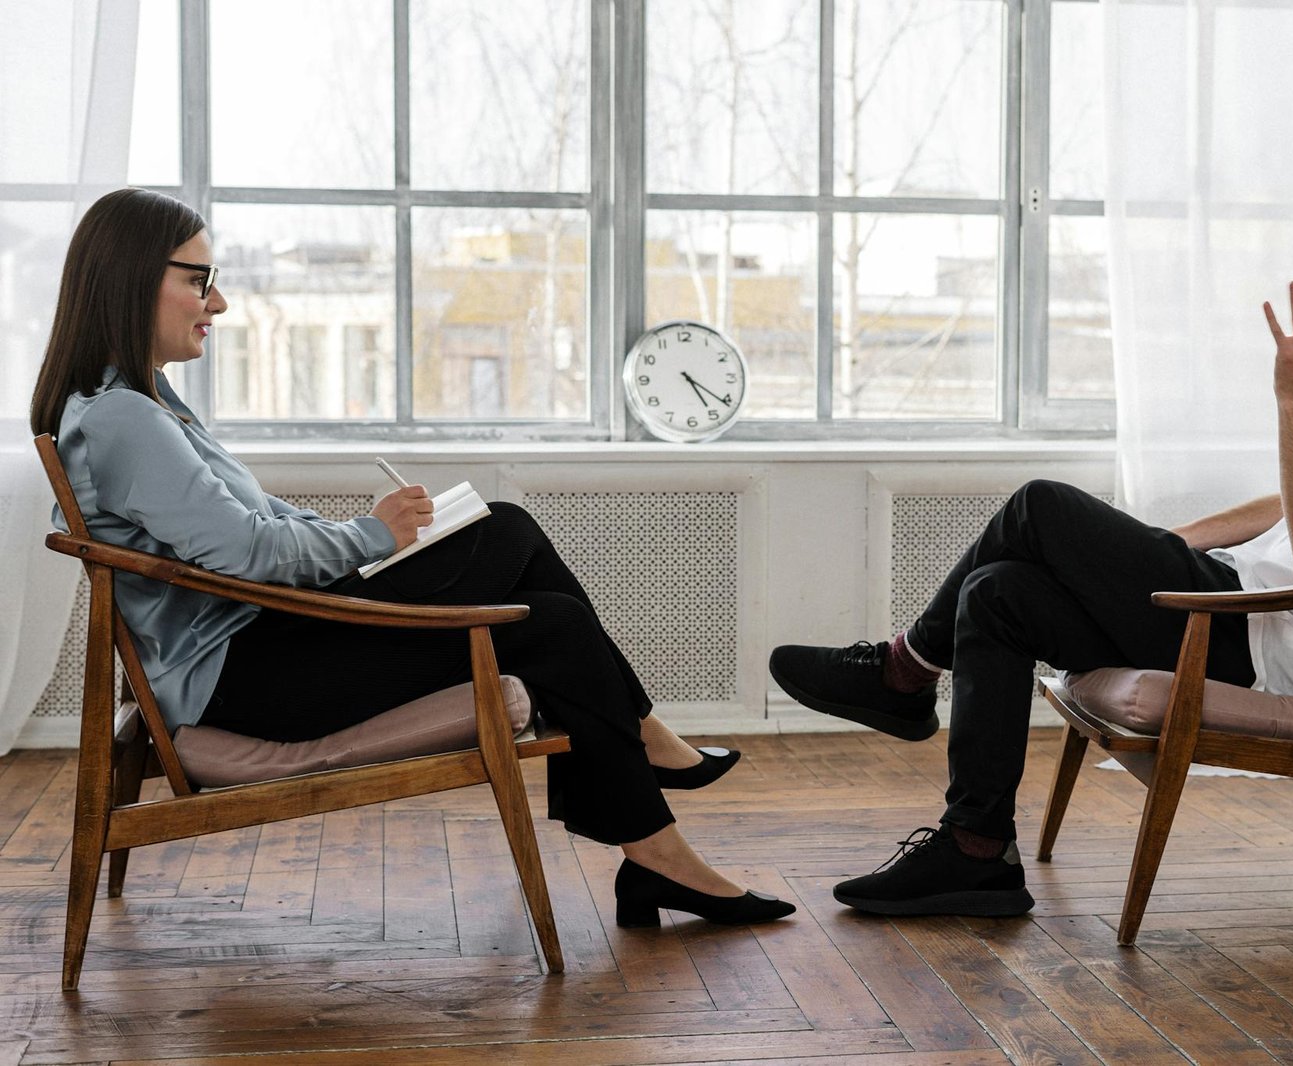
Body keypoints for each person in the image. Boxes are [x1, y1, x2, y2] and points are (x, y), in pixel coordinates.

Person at [31, 187, 794, 929]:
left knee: (535, 585)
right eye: (200, 282)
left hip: (260, 649)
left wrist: (375, 537)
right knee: (512, 543)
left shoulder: (143, 404)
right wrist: (373, 537)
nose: (218, 304)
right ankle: (647, 767)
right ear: (133, 279)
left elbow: (249, 524)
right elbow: (246, 553)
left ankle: (656, 846)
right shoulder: (126, 417)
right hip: (247, 678)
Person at [770, 256, 1293, 918]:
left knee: (1040, 504)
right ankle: (976, 849)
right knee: (997, 590)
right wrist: (1166, 546)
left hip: (1252, 643)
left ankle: (902, 673)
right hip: (1228, 600)